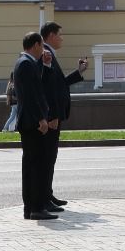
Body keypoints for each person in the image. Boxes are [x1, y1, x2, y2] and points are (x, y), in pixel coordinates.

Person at [39, 21, 87, 211]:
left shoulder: (50, 54)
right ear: (50, 35)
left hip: (54, 116)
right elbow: (47, 89)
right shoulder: (45, 55)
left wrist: (79, 72)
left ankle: (48, 195)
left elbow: (59, 85)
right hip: (51, 117)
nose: (61, 38)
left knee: (51, 157)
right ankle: (45, 197)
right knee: (48, 157)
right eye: (59, 34)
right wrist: (52, 115)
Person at [14, 31, 57, 220]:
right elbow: (31, 96)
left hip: (30, 121)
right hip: (32, 123)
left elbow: (38, 87)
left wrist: (46, 65)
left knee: (33, 165)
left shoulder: (27, 63)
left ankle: (33, 208)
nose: (44, 50)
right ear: (36, 45)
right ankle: (35, 208)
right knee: (35, 166)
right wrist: (41, 119)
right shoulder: (25, 64)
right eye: (42, 46)